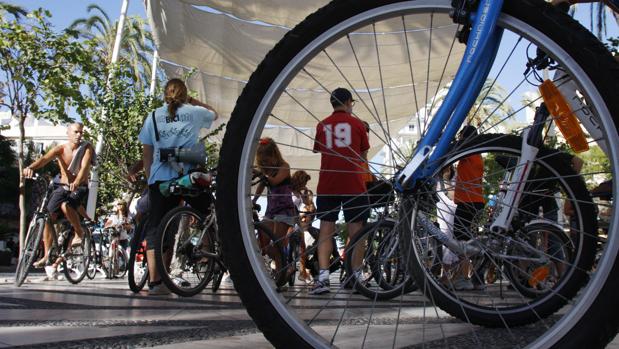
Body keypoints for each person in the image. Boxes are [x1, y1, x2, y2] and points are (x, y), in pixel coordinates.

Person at [139, 78, 217, 295]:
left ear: (165, 94)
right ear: (185, 94)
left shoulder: (153, 116)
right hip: (186, 177)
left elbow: (147, 152)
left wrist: (149, 178)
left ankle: (155, 282)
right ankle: (207, 250)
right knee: (209, 212)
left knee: (156, 228)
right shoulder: (193, 111)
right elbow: (215, 114)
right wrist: (192, 101)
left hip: (160, 179)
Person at [311, 87, 370, 295]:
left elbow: (318, 149)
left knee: (326, 228)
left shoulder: (322, 124)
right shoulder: (358, 124)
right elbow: (363, 157)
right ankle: (355, 276)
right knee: (357, 230)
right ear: (348, 102)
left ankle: (323, 277)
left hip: (328, 182)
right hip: (353, 183)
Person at [23, 122, 94, 275]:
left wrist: (76, 182)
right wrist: (30, 168)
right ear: (68, 133)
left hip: (79, 186)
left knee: (66, 206)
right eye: (75, 132)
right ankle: (48, 254)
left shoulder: (87, 148)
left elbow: (84, 168)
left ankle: (79, 232)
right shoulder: (60, 149)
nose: (79, 135)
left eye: (81, 132)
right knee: (47, 216)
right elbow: (44, 159)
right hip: (62, 186)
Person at [252, 137, 296, 287]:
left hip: (285, 210)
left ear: (274, 155)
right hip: (271, 211)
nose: (264, 163)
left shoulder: (284, 167)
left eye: (266, 159)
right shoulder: (266, 171)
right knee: (261, 243)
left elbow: (274, 181)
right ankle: (283, 267)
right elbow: (261, 186)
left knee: (277, 244)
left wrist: (261, 174)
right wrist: (254, 200)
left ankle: (282, 271)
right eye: (262, 160)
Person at [451, 125, 486, 291]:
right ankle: (475, 277)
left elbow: (452, 152)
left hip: (467, 201)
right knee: (471, 240)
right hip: (477, 201)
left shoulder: (468, 152)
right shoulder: (478, 154)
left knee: (461, 240)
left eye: (460, 136)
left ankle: (464, 278)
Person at [291, 170, 315, 283]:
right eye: (303, 182)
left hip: (297, 222)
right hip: (288, 220)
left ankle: (302, 272)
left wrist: (305, 192)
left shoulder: (301, 193)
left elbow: (309, 204)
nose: (304, 184)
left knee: (302, 248)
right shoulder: (288, 190)